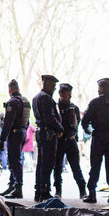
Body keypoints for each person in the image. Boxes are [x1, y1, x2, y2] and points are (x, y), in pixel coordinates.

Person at [82, 78, 109, 204]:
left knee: (95, 166)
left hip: (99, 137)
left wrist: (88, 131)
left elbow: (85, 120)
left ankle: (92, 194)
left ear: (101, 88)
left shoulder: (95, 102)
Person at [53, 83, 87, 199]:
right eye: (67, 94)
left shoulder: (74, 108)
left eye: (70, 95)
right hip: (59, 141)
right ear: (60, 94)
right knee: (57, 167)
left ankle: (82, 190)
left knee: (76, 167)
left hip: (71, 141)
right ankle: (58, 191)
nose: (69, 97)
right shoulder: (55, 107)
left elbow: (78, 122)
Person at [32, 74, 62, 202]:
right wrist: (60, 128)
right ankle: (44, 191)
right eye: (53, 86)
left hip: (41, 132)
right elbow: (50, 118)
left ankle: (39, 190)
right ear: (48, 84)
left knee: (41, 163)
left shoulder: (36, 98)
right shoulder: (47, 99)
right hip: (48, 134)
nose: (54, 89)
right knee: (48, 164)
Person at [0, 79, 30, 198]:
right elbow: (27, 121)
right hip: (22, 132)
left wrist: (2, 139)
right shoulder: (25, 101)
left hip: (15, 133)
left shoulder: (13, 102)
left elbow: (8, 122)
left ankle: (18, 188)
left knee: (14, 161)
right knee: (15, 160)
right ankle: (12, 185)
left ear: (10, 90)